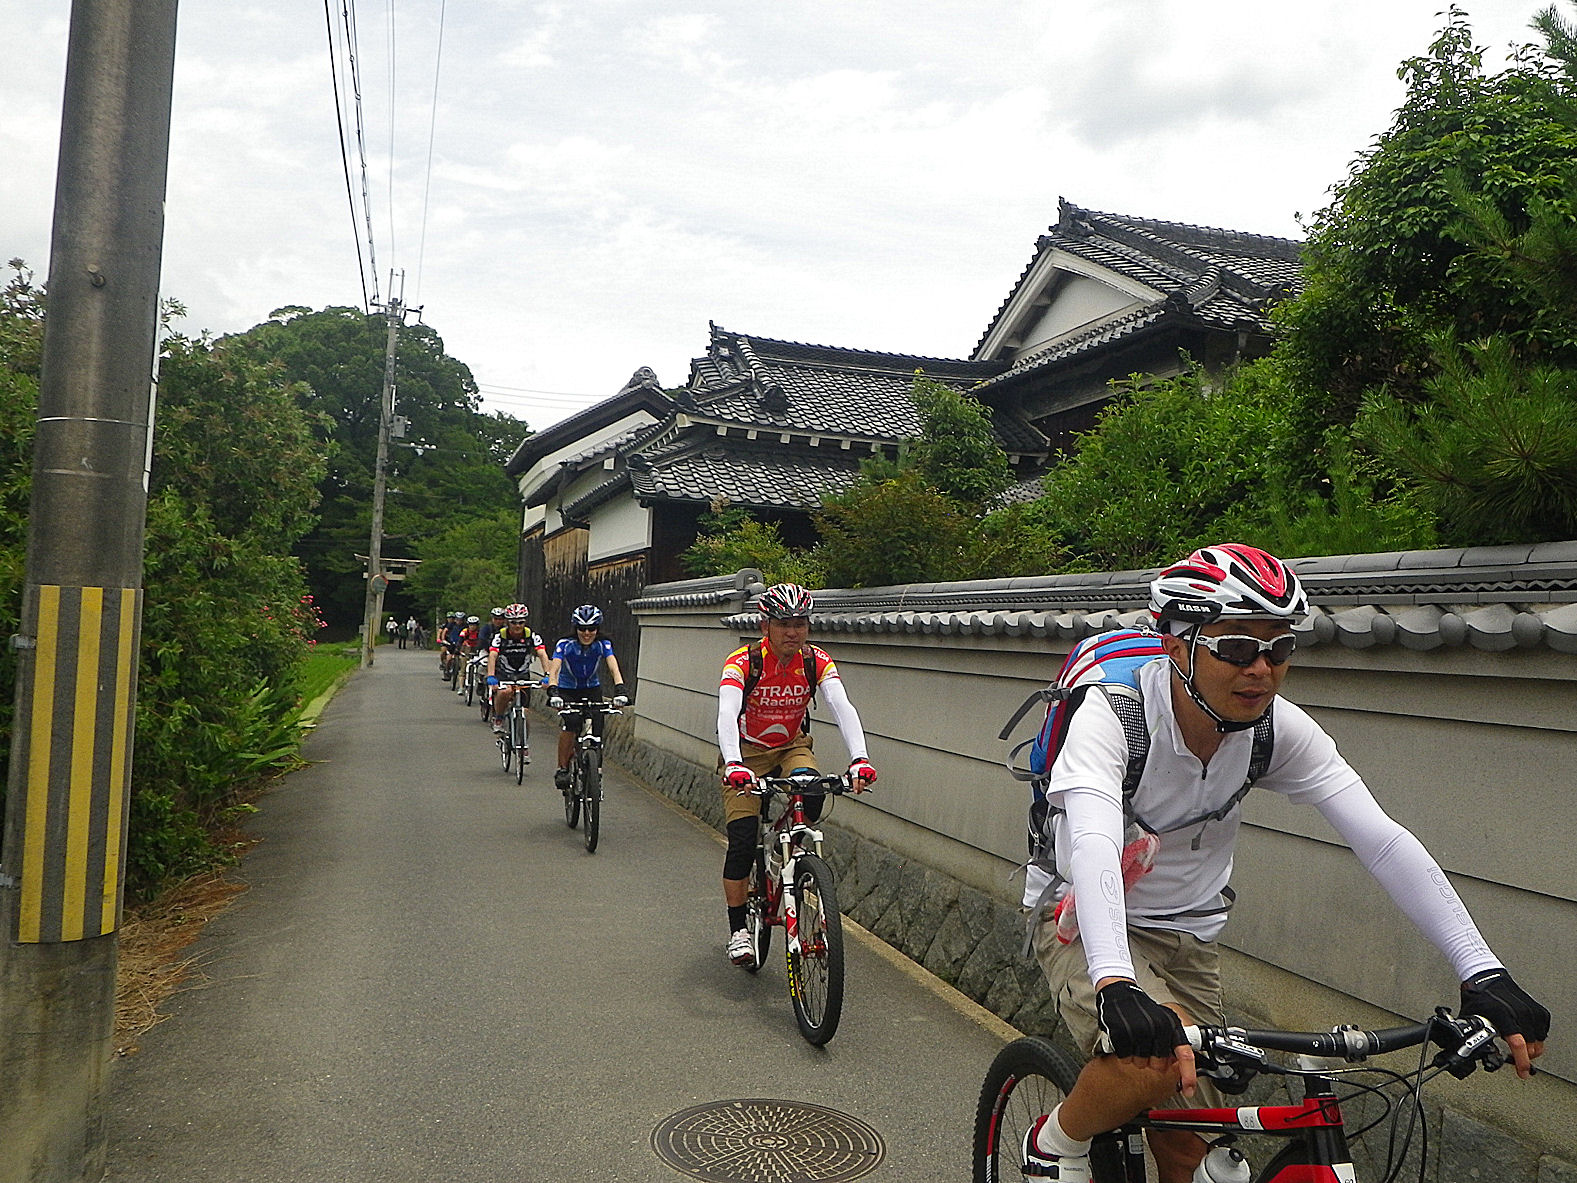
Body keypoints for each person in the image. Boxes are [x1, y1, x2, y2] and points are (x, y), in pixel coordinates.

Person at [1021, 544, 1551, 1183]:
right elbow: (1095, 842)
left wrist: (1482, 970)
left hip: (1190, 935)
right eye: (1238, 648)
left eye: (1280, 649)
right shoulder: (1113, 714)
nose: (1262, 670)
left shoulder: (1276, 730)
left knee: (1193, 1146)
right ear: (1175, 643)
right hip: (1082, 918)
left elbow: (1381, 841)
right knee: (1154, 1063)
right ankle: (1057, 1141)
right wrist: (1115, 981)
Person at [716, 583, 878, 968]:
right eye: (784, 623)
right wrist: (734, 763)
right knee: (741, 841)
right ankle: (739, 930)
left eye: (800, 623)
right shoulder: (742, 662)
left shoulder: (816, 660)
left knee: (815, 792)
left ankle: (790, 853)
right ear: (765, 625)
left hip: (792, 747)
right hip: (747, 753)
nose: (793, 631)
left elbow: (843, 706)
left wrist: (860, 758)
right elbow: (726, 712)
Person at [546, 605, 629, 791]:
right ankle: (563, 768)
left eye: (591, 628)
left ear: (597, 629)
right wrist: (553, 689)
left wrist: (621, 689)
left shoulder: (603, 644)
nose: (586, 633)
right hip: (567, 690)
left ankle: (595, 768)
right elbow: (555, 668)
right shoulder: (564, 644)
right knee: (572, 723)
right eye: (582, 628)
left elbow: (613, 666)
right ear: (575, 628)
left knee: (598, 725)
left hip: (592, 689)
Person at [486, 603, 550, 741]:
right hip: (504, 673)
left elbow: (542, 654)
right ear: (508, 622)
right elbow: (492, 656)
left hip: (522, 674)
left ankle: (523, 745)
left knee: (525, 714)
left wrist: (548, 675)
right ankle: (499, 718)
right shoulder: (500, 636)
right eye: (513, 622)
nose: (517, 626)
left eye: (520, 622)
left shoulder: (531, 636)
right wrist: (491, 676)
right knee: (505, 692)